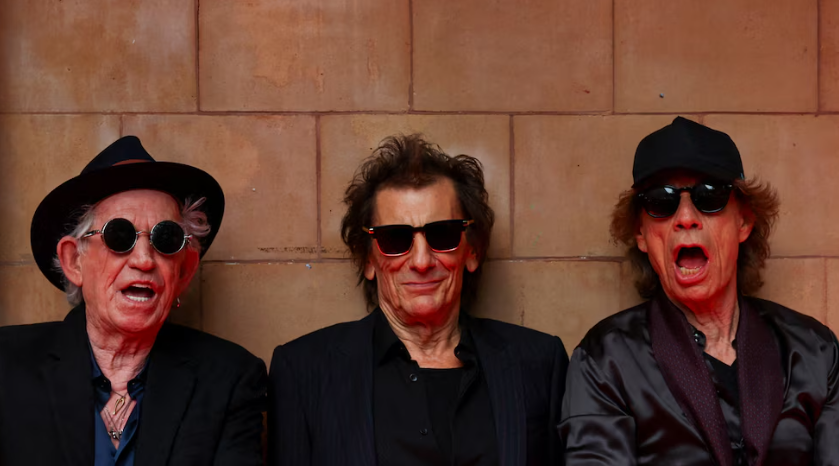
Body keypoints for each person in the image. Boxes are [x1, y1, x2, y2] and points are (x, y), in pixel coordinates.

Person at [268, 134, 568, 466]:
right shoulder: (304, 370)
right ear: (368, 260)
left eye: (443, 234)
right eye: (394, 239)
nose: (421, 261)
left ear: (472, 251)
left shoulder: (540, 362)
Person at [559, 117, 839, 465]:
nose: (686, 217)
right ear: (641, 234)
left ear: (744, 221)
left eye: (710, 196)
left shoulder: (815, 350)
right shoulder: (605, 357)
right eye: (661, 201)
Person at [0, 136, 267, 466]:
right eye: (119, 236)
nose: (144, 260)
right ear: (74, 261)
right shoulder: (6, 365)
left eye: (165, 239)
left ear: (184, 270)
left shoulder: (230, 377)